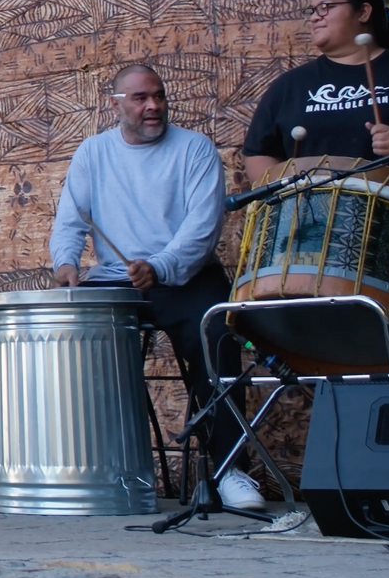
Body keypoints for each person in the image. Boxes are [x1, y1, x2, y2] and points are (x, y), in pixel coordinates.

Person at [49, 64, 261, 511]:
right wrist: (65, 262)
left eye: (158, 96)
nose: (153, 106)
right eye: (140, 98)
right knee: (63, 341)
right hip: (116, 281)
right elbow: (71, 218)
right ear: (116, 105)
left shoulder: (195, 149)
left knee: (219, 336)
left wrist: (160, 267)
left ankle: (228, 471)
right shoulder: (93, 152)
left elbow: (202, 230)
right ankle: (61, 469)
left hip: (186, 278)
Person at [243, 0, 389, 183]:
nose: (314, 17)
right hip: (306, 212)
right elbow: (258, 152)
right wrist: (283, 191)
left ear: (363, 12)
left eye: (325, 7)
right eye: (312, 11)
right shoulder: (289, 86)